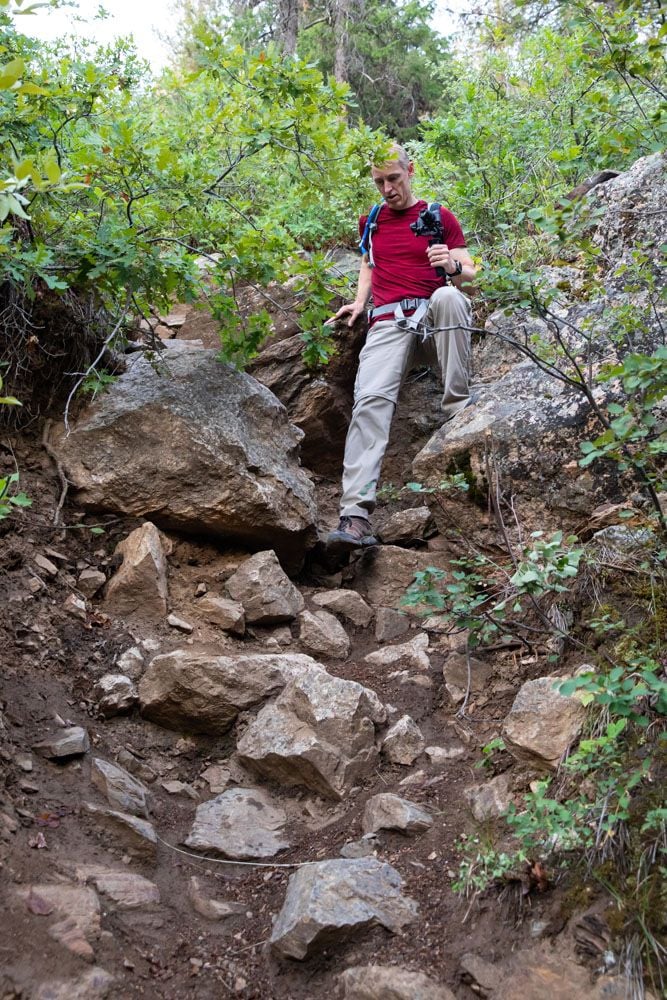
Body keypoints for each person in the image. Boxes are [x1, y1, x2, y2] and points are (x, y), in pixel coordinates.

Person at [326, 143, 478, 551]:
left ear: (410, 170)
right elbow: (368, 263)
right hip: (389, 322)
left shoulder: (438, 217)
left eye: (393, 178)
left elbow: (473, 278)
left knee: (450, 298)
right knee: (369, 401)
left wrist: (452, 266)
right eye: (379, 182)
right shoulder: (372, 221)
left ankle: (459, 414)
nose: (387, 189)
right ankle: (355, 516)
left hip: (432, 320)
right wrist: (359, 303)